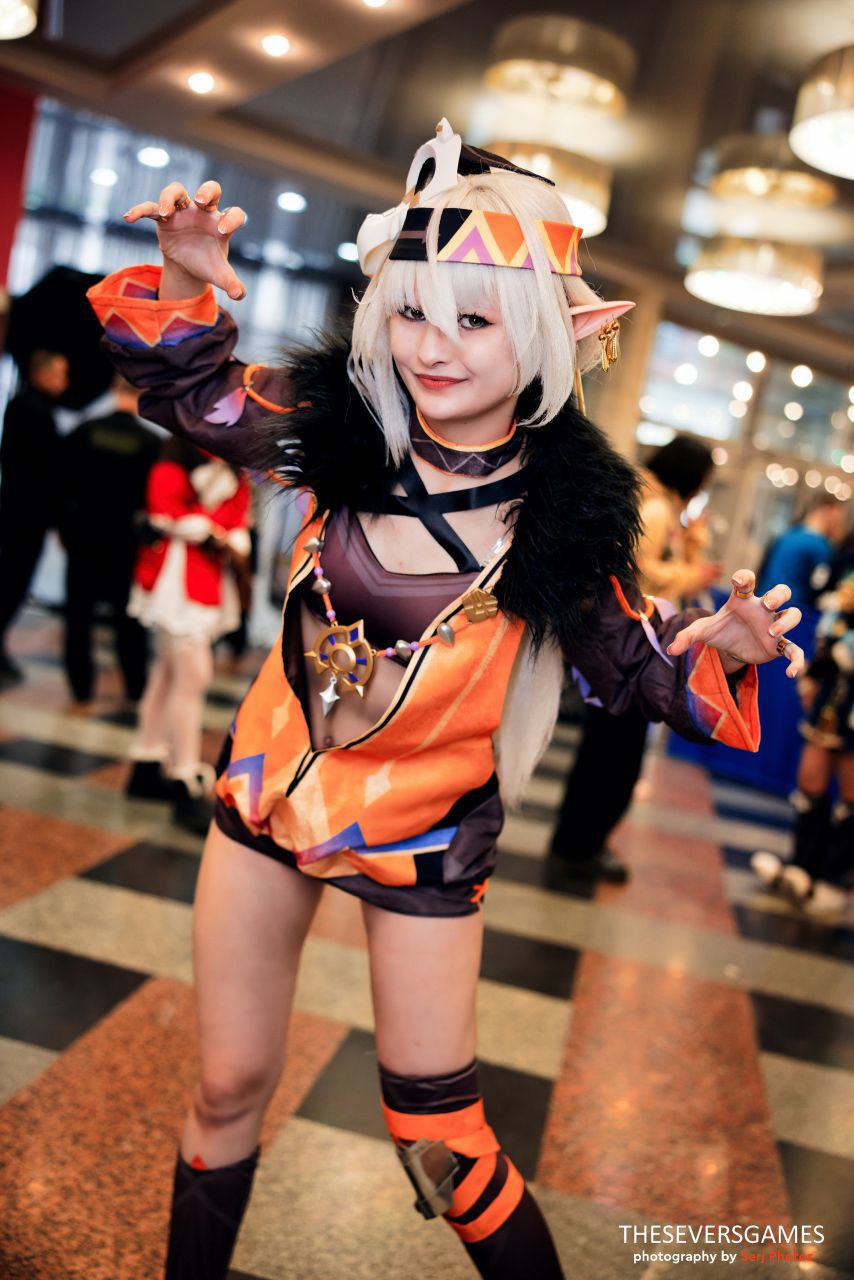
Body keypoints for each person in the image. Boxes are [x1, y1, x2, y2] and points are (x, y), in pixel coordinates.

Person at [86, 119, 804, 1280]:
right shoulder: (337, 427)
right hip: (266, 788)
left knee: (442, 1140)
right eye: (412, 310)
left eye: (475, 320)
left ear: (548, 333)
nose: (431, 346)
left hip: (424, 829)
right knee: (224, 1082)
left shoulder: (564, 522)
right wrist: (180, 280)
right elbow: (195, 397)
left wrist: (721, 649)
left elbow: (631, 672)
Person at [548, 435, 721, 883]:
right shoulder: (658, 509)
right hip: (631, 645)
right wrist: (692, 573)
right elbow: (639, 572)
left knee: (605, 749)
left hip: (622, 643)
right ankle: (582, 846)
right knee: (615, 756)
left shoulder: (649, 499)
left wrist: (693, 545)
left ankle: (578, 842)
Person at [125, 437, 251, 833]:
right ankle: (183, 776)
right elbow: (164, 512)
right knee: (192, 677)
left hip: (205, 575)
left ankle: (147, 764)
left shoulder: (232, 465)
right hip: (174, 579)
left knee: (167, 675)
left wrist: (221, 532)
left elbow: (236, 521)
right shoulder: (174, 459)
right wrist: (210, 527)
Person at [751, 568, 853, 924]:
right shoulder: (847, 577)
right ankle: (802, 869)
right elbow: (831, 631)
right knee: (810, 782)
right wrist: (812, 677)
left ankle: (833, 879)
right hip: (833, 700)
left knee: (851, 796)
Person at [60, 375, 161, 703]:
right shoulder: (150, 443)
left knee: (79, 613)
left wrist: (64, 528)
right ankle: (134, 686)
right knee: (128, 615)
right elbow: (155, 502)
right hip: (126, 542)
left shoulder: (85, 431)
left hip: (83, 536)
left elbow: (61, 485)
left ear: (113, 390)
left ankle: (81, 688)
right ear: (143, 394)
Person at [0, 347, 69, 685]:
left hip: (20, 510)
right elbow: (46, 470)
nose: (65, 381)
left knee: (13, 579)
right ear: (43, 374)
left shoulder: (27, 407)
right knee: (12, 580)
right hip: (25, 514)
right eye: (61, 374)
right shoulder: (33, 410)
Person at [759, 490, 845, 609]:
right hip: (791, 609)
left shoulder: (787, 534)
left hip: (764, 599)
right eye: (837, 518)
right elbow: (818, 585)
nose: (838, 524)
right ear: (827, 512)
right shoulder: (820, 547)